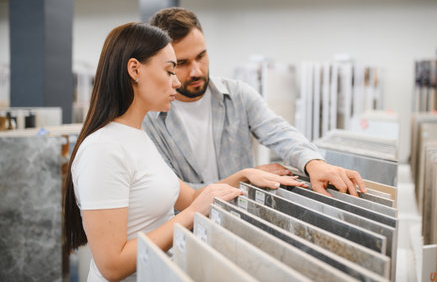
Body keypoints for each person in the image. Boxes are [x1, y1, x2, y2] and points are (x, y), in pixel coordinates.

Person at [62, 22, 305, 282]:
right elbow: (112, 265)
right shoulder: (103, 150)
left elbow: (190, 197)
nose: (177, 82)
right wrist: (192, 215)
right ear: (135, 70)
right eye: (169, 71)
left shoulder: (138, 137)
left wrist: (245, 176)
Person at [143, 7, 366, 197]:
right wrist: (245, 178)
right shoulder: (149, 120)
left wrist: (314, 163)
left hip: (241, 220)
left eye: (201, 56)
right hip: (187, 230)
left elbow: (279, 131)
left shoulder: (237, 94)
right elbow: (174, 195)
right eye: (182, 63)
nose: (196, 71)